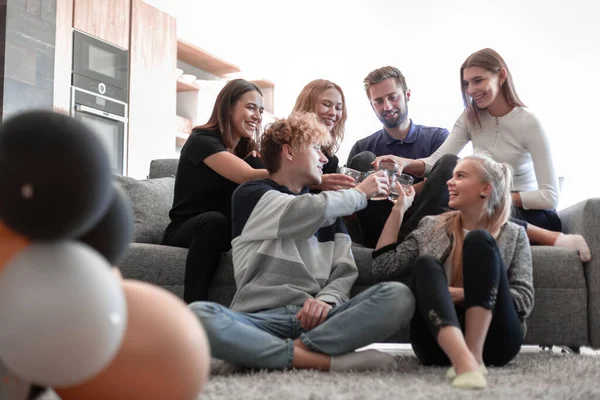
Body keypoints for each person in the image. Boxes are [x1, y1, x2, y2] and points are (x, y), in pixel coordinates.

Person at [189, 112, 415, 372]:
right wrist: (360, 193)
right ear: (288, 151)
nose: (325, 158)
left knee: (399, 296)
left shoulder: (330, 212)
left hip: (318, 320)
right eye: (317, 149)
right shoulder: (250, 195)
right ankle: (320, 361)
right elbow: (302, 211)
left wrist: (327, 300)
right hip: (259, 319)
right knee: (197, 315)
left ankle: (261, 353)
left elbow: (344, 270)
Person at [375, 49, 591, 261]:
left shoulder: (528, 123)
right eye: (466, 83)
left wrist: (490, 197)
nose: (470, 90)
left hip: (529, 213)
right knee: (452, 172)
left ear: (502, 76)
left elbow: (549, 197)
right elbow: (437, 163)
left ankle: (556, 238)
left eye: (478, 81)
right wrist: (403, 162)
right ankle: (412, 244)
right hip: (484, 205)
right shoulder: (470, 117)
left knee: (471, 210)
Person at [372, 154, 534, 389]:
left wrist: (458, 295)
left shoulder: (514, 234)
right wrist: (399, 210)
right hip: (436, 344)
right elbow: (383, 266)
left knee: (480, 241)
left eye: (460, 176)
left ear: (485, 189)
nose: (449, 181)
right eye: (452, 176)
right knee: (425, 264)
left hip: (496, 342)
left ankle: (473, 358)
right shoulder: (431, 225)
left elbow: (524, 300)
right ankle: (463, 359)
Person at [163, 79, 270, 303]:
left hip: (226, 230)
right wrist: (299, 174)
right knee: (214, 221)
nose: (258, 117)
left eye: (260, 111)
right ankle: (195, 309)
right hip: (188, 229)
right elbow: (245, 176)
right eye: (251, 107)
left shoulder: (247, 150)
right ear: (228, 106)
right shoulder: (201, 140)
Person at [345, 66, 453, 248]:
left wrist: (398, 192)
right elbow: (351, 203)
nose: (386, 107)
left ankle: (404, 245)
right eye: (378, 101)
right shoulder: (362, 147)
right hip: (376, 231)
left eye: (392, 97)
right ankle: (384, 247)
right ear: (371, 105)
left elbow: (444, 182)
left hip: (422, 228)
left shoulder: (438, 137)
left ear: (407, 95)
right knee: (364, 159)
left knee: (450, 163)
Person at [291, 79, 355, 192]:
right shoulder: (281, 142)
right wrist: (314, 182)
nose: (333, 113)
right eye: (326, 104)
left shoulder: (331, 160)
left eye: (338, 108)